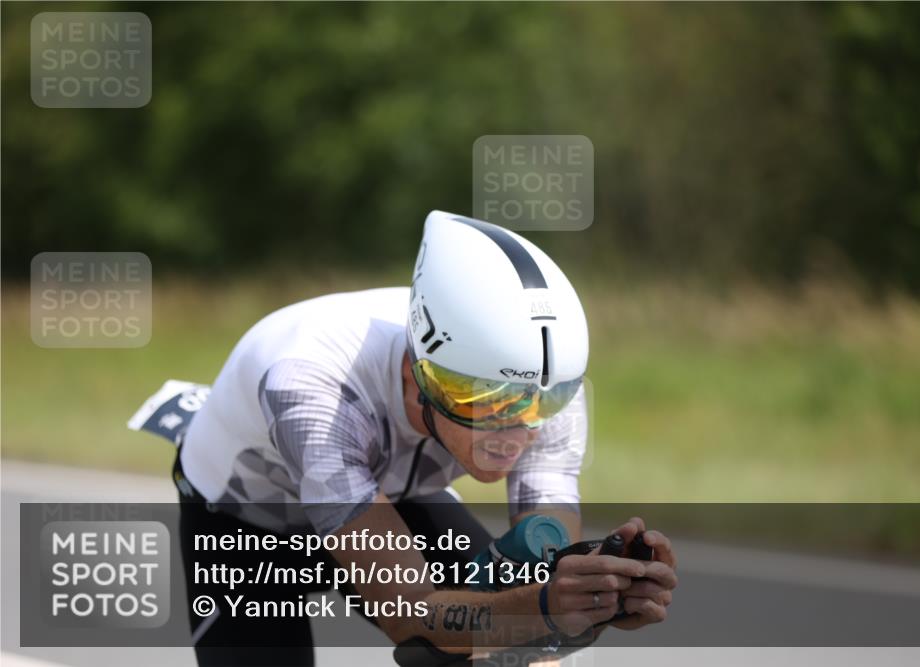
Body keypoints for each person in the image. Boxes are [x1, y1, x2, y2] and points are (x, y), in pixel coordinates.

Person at [168, 211, 677, 666]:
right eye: (486, 400)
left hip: (392, 492)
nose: (517, 431)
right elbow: (410, 616)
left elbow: (540, 570)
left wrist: (597, 594)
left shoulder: (543, 378)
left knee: (516, 652)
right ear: (418, 377)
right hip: (249, 522)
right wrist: (544, 607)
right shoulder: (312, 388)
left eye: (541, 405)